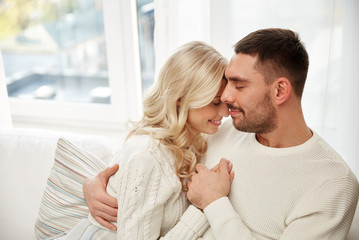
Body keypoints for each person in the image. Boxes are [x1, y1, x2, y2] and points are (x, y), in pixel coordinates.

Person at [84, 28, 359, 239]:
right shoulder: (220, 132)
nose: (225, 97)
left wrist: (215, 203)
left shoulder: (331, 183)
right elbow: (149, 166)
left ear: (279, 91)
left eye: (238, 86)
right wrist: (96, 186)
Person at [57, 41, 232, 239]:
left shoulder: (194, 141)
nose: (225, 112)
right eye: (215, 102)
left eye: (225, 102)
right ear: (181, 98)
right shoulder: (148, 157)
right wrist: (202, 209)